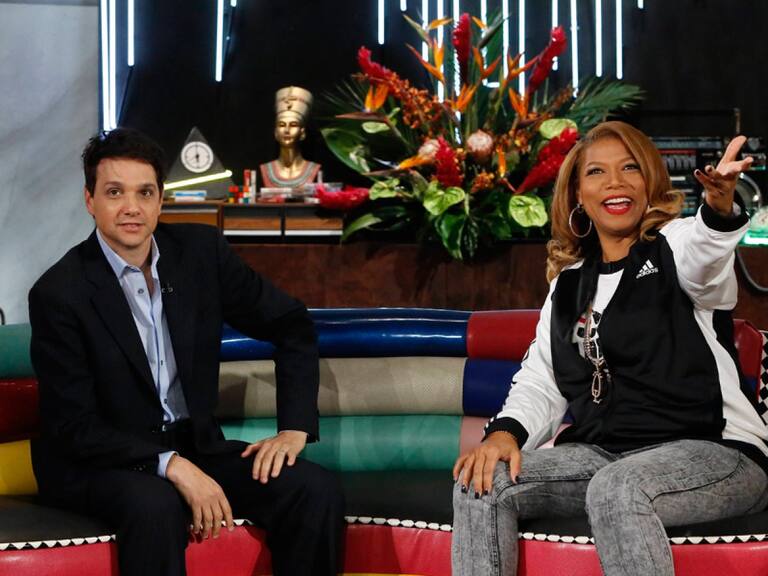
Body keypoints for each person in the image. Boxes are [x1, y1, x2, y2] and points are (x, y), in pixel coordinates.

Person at [452, 121, 768, 576]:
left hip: (716, 451)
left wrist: (719, 209)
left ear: (650, 182)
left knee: (618, 487)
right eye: (597, 172)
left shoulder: (675, 246)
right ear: (578, 194)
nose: (615, 182)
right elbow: (541, 381)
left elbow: (705, 255)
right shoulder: (568, 285)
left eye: (630, 168)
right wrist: (505, 435)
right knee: (482, 483)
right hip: (605, 455)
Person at [28, 128, 344, 576]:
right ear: (89, 200)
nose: (131, 207)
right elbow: (74, 428)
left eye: (145, 192)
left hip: (195, 445)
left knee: (313, 489)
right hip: (97, 462)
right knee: (156, 505)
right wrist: (171, 466)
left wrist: (294, 427)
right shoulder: (60, 292)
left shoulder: (200, 254)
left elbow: (291, 323)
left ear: (161, 200)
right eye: (114, 192)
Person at [259, 86, 322, 188]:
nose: (287, 130)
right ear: (276, 132)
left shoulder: (314, 169)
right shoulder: (265, 169)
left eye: (293, 125)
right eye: (282, 125)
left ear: (302, 133)